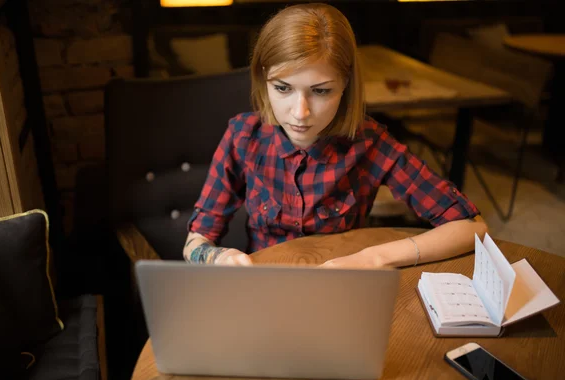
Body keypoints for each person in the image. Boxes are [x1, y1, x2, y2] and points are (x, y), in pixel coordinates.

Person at [183, 3, 487, 268]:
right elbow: (195, 243)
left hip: (343, 282)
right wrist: (218, 257)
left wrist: (375, 257)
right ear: (263, 81)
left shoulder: (369, 143)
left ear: (345, 87)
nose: (300, 112)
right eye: (283, 88)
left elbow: (471, 227)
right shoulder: (243, 137)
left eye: (321, 91)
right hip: (266, 283)